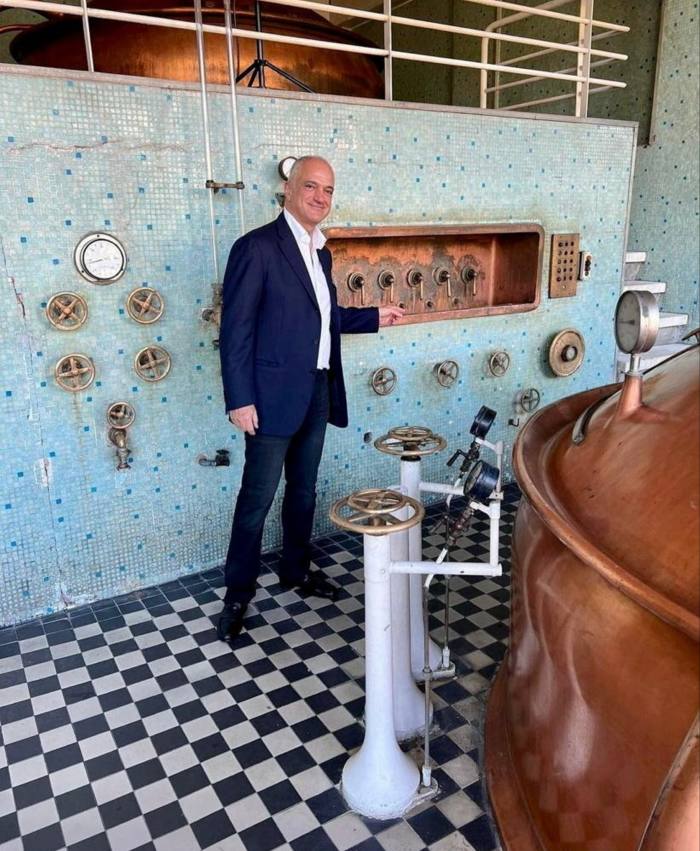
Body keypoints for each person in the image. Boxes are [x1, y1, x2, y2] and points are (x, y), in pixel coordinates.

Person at [217, 156, 404, 642]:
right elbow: (234, 331)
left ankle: (295, 570)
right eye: (311, 187)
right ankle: (238, 594)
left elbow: (325, 316)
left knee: (303, 491)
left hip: (317, 390)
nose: (320, 197)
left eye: (328, 190)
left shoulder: (321, 252)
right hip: (270, 397)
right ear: (290, 189)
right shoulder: (256, 248)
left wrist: (376, 315)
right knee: (256, 500)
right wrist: (240, 399)